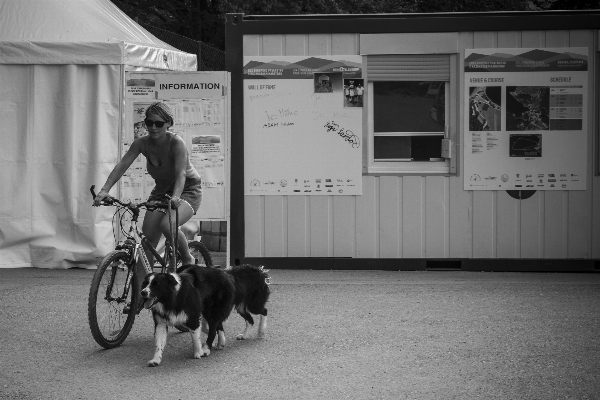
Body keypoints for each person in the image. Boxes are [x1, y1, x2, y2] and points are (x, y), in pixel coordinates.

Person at [94, 102, 202, 310]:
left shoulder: (176, 143)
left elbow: (180, 174)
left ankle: (187, 257)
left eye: (159, 123)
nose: (153, 127)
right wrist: (104, 190)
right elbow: (122, 165)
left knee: (166, 225)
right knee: (146, 246)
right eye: (149, 122)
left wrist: (177, 197)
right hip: (162, 191)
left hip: (187, 190)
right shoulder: (142, 143)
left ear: (168, 124)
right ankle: (138, 299)